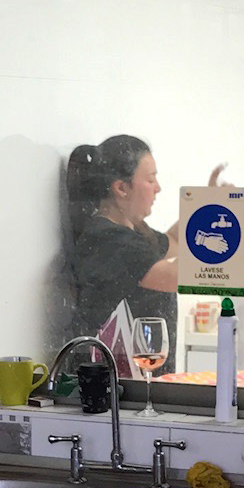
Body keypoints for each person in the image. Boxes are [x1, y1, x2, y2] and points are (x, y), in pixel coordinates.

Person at [66, 134, 178, 353]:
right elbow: (176, 277)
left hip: (140, 379)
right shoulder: (109, 241)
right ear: (122, 188)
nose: (158, 188)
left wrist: (211, 205)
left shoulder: (134, 233)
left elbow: (175, 241)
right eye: (151, 179)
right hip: (124, 382)